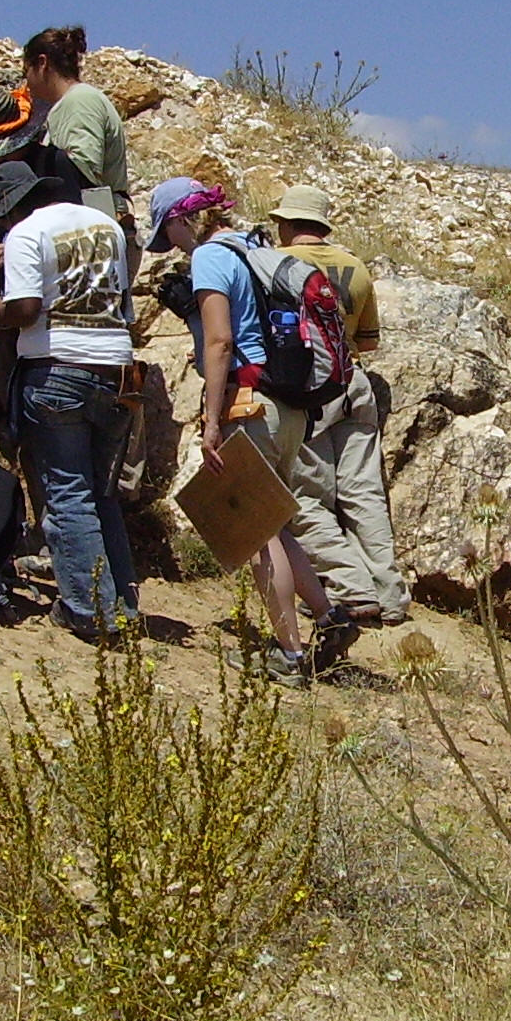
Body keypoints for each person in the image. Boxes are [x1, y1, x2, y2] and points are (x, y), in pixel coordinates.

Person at [147, 177, 345, 686]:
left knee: (256, 533)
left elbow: (220, 341)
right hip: (288, 405)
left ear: (181, 220)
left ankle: (290, 655)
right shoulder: (253, 244)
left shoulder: (211, 257)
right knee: (274, 522)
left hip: (248, 402)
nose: (170, 246)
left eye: (167, 233)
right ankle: (329, 617)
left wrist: (210, 422)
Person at [0, 162, 138, 635]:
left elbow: (25, 309)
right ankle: (122, 601)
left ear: (9, 211)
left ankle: (89, 611)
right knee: (102, 493)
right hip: (115, 369)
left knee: (68, 494)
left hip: (56, 367)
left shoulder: (26, 233)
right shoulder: (106, 226)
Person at [271, 184, 410, 627]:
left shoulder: (280, 265)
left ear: (289, 224)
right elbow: (367, 342)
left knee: (306, 496)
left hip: (309, 389)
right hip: (354, 382)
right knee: (364, 493)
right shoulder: (357, 267)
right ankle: (391, 595)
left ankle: (352, 589)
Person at [20, 28, 137, 270]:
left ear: (42, 63)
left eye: (26, 72)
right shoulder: (68, 105)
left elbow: (82, 173)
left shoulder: (80, 101)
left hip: (94, 238)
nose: (27, 82)